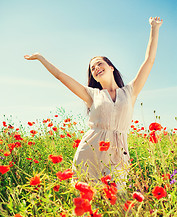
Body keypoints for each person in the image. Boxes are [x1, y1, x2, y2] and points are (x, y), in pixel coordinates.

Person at [24, 16, 163, 191]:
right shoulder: (92, 94)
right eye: (93, 69)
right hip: (90, 153)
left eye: (99, 64)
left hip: (118, 154)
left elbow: (149, 60)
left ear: (111, 67)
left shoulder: (130, 91)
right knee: (90, 200)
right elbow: (61, 76)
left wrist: (154, 28)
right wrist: (41, 58)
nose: (96, 68)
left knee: (117, 197)